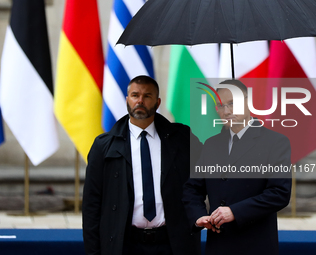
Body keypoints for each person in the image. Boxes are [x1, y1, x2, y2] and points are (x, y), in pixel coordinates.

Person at [82, 75, 202, 255]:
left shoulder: (182, 139)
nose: (140, 101)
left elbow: (207, 175)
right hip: (126, 245)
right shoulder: (104, 146)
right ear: (127, 99)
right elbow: (91, 205)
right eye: (135, 95)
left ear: (158, 101)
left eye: (147, 96)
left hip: (172, 244)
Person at [183, 79, 292, 255]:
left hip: (256, 245)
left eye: (232, 103)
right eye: (220, 105)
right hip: (217, 245)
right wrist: (198, 216)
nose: (226, 111)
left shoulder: (275, 142)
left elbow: (279, 193)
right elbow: (192, 188)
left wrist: (235, 211)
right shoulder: (211, 144)